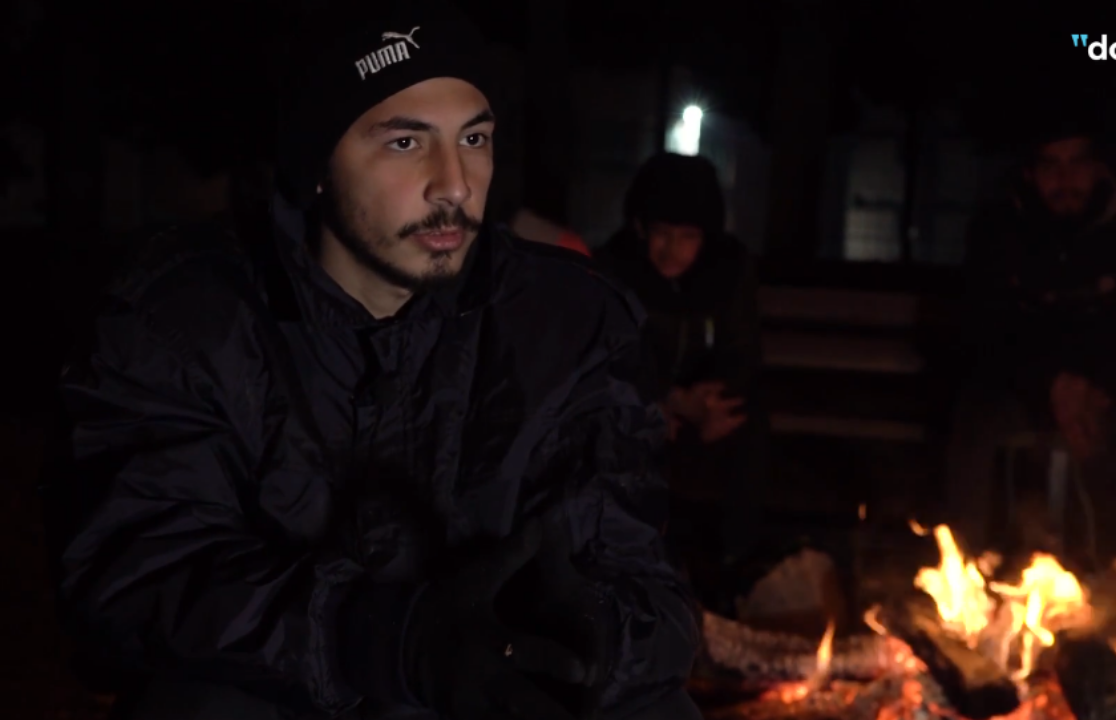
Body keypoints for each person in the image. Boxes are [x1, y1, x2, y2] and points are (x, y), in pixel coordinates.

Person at [41, 2, 701, 719]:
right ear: (318, 162)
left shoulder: (570, 322)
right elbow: (140, 573)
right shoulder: (190, 319)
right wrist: (382, 639)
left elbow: (641, 578)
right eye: (405, 143)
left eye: (474, 138)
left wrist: (600, 637)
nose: (454, 183)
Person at [944, 121, 1116, 560]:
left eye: (1077, 163)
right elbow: (987, 328)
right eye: (1051, 165)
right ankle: (962, 568)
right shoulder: (1000, 229)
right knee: (975, 420)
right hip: (1022, 386)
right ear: (1030, 173)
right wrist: (1050, 386)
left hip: (1101, 389)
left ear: (1099, 168)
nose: (1065, 179)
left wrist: (1096, 389)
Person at [594, 153, 770, 603]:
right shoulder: (616, 268)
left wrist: (707, 405)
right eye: (661, 233)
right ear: (640, 228)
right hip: (641, 410)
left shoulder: (727, 270)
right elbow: (607, 354)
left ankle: (735, 576)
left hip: (704, 415)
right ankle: (622, 576)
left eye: (687, 236)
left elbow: (742, 351)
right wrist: (660, 400)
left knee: (749, 431)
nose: (672, 249)